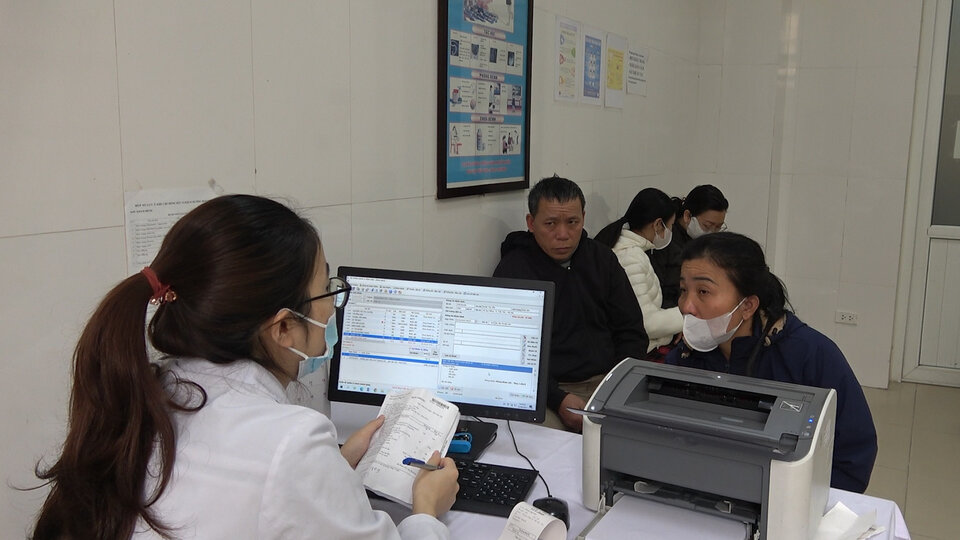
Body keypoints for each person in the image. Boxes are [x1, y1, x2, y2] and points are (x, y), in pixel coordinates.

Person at [30, 195, 459, 539]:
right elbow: (270, 472)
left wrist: (334, 469)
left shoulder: (149, 392)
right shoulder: (290, 443)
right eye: (324, 289)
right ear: (284, 328)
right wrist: (426, 509)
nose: (332, 306)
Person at [665, 232, 877, 493]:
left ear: (748, 306)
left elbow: (852, 456)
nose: (687, 306)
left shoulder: (811, 355)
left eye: (703, 291)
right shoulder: (685, 356)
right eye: (683, 290)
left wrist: (796, 500)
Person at [494, 176, 649, 432]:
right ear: (531, 223)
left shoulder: (602, 259)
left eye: (572, 222)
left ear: (583, 219)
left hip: (607, 382)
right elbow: (510, 355)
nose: (563, 235)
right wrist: (557, 398)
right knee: (542, 440)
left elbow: (631, 332)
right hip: (546, 393)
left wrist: (615, 386)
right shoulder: (514, 269)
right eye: (551, 224)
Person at [594, 188, 683, 358]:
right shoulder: (630, 258)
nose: (670, 233)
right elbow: (645, 323)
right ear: (658, 224)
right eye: (670, 227)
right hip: (638, 353)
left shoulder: (628, 247)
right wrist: (689, 318)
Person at [649, 184, 728, 308]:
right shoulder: (665, 240)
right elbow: (661, 294)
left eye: (718, 227)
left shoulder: (709, 244)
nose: (712, 232)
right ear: (687, 216)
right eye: (707, 225)